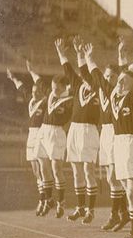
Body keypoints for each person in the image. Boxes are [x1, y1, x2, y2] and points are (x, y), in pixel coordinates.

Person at [87, 40, 133, 238]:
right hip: (119, 146)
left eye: (125, 81)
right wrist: (88, 58)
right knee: (131, 191)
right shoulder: (114, 96)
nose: (121, 83)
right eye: (120, 81)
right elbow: (98, 77)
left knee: (132, 191)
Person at [55, 38, 101, 224]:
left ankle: (90, 210)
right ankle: (80, 207)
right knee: (76, 171)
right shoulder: (77, 85)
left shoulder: (99, 88)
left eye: (87, 74)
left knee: (89, 171)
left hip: (89, 131)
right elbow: (68, 68)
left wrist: (83, 56)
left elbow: (84, 70)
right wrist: (62, 53)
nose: (83, 76)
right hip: (74, 130)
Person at [95, 40, 131, 232]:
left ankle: (118, 213)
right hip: (105, 133)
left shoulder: (118, 91)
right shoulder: (103, 91)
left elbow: (125, 71)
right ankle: (122, 212)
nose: (108, 79)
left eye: (112, 76)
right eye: (107, 75)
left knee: (115, 176)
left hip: (116, 134)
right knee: (112, 177)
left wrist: (120, 53)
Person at [6, 63, 48, 215]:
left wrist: (32, 71)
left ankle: (44, 200)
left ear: (42, 92)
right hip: (31, 135)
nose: (35, 93)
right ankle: (43, 198)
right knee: (36, 170)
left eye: (37, 91)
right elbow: (21, 87)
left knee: (42, 169)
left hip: (41, 134)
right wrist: (13, 78)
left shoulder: (46, 102)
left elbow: (39, 82)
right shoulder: (31, 99)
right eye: (34, 91)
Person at [34, 59, 72, 219]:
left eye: (57, 88)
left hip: (57, 134)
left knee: (56, 169)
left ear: (65, 87)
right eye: (53, 87)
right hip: (44, 131)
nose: (54, 90)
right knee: (43, 167)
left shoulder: (69, 100)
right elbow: (38, 82)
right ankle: (48, 199)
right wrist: (31, 70)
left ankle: (61, 201)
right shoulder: (50, 94)